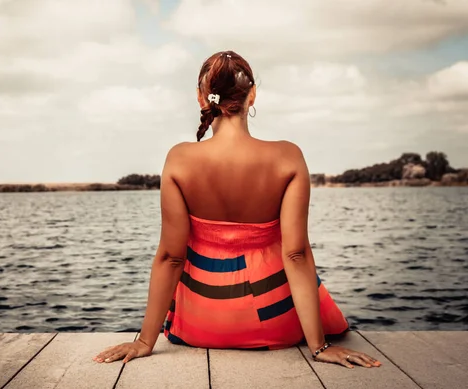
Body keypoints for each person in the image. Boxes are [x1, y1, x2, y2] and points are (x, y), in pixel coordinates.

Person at [93, 50, 381, 369]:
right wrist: (319, 346)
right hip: (277, 323)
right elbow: (296, 254)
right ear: (252, 94)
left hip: (201, 324)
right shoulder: (288, 157)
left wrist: (145, 340)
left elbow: (170, 257)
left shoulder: (179, 159)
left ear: (202, 98)